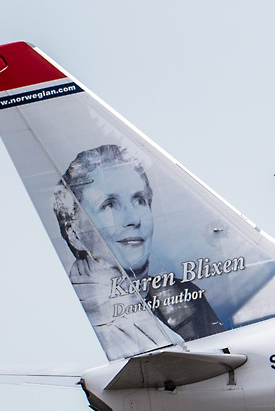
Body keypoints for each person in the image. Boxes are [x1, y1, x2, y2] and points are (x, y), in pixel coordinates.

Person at [52, 144, 224, 352]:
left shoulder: (185, 294)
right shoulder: (79, 320)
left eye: (140, 201)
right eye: (109, 205)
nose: (133, 218)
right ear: (74, 233)